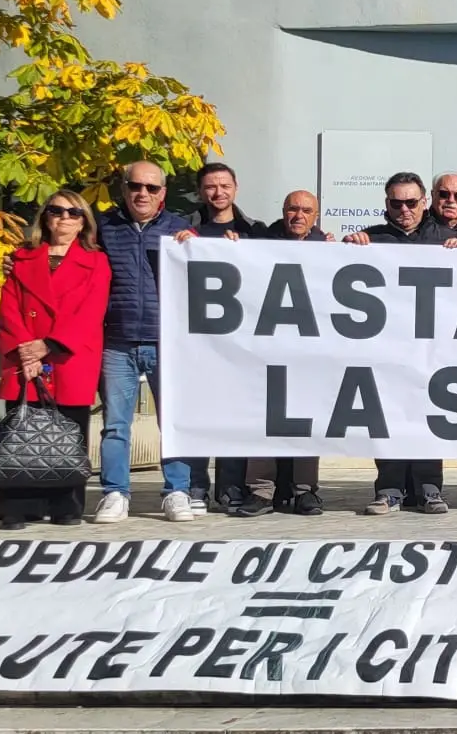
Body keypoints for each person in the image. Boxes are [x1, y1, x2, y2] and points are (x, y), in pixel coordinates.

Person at [0, 191, 110, 530]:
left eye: (74, 213)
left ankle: (66, 506)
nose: (65, 218)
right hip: (24, 356)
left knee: (68, 434)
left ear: (83, 221)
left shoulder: (97, 261)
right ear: (45, 216)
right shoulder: (22, 258)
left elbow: (90, 312)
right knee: (21, 432)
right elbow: (9, 308)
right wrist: (24, 350)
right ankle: (17, 507)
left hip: (67, 356)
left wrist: (48, 345)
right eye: (57, 211)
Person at [346, 173, 457, 515]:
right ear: (387, 205)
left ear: (424, 202)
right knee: (389, 418)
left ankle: (429, 489)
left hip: (431, 349)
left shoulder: (448, 240)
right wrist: (350, 250)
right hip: (386, 349)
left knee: (428, 418)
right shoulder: (373, 240)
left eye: (411, 202)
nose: (404, 210)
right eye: (396, 203)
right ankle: (389, 490)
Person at [90, 162, 196, 525]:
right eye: (136, 186)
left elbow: (207, 274)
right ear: (124, 188)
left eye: (152, 188)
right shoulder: (103, 227)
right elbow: (67, 253)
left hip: (168, 343)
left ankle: (177, 491)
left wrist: (200, 249)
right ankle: (115, 493)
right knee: (116, 424)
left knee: (175, 421)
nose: (143, 194)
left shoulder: (181, 229)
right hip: (116, 340)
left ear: (163, 193)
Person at [171, 162, 262, 512]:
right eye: (211, 186)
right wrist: (178, 248)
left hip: (240, 343)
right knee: (197, 416)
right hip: (194, 342)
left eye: (224, 185)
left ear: (236, 187)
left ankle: (231, 488)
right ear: (201, 191)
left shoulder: (254, 230)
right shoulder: (182, 230)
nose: (218, 193)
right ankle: (196, 487)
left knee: (234, 418)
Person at [237, 189, 330, 517]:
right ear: (283, 210)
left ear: (316, 216)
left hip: (309, 351)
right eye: (292, 208)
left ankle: (306, 492)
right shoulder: (260, 243)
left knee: (306, 422)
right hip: (267, 348)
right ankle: (261, 491)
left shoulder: (329, 251)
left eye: (306, 210)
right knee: (265, 421)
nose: (298, 215)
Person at [265, 189, 333, 242]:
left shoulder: (324, 244)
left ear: (316, 217)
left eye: (306, 211)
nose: (299, 216)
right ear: (283, 212)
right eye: (293, 209)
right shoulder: (260, 241)